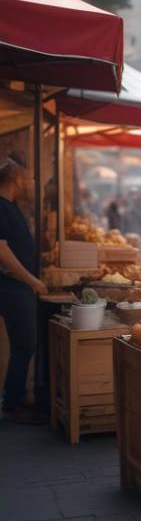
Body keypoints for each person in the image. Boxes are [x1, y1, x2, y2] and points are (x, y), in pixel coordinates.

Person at [0, 159, 48, 424]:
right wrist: (31, 280)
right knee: (24, 344)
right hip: (12, 288)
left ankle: (16, 398)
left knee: (24, 343)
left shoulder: (12, 206)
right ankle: (12, 404)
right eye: (27, 180)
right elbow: (2, 251)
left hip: (18, 287)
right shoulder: (1, 207)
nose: (30, 185)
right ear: (16, 180)